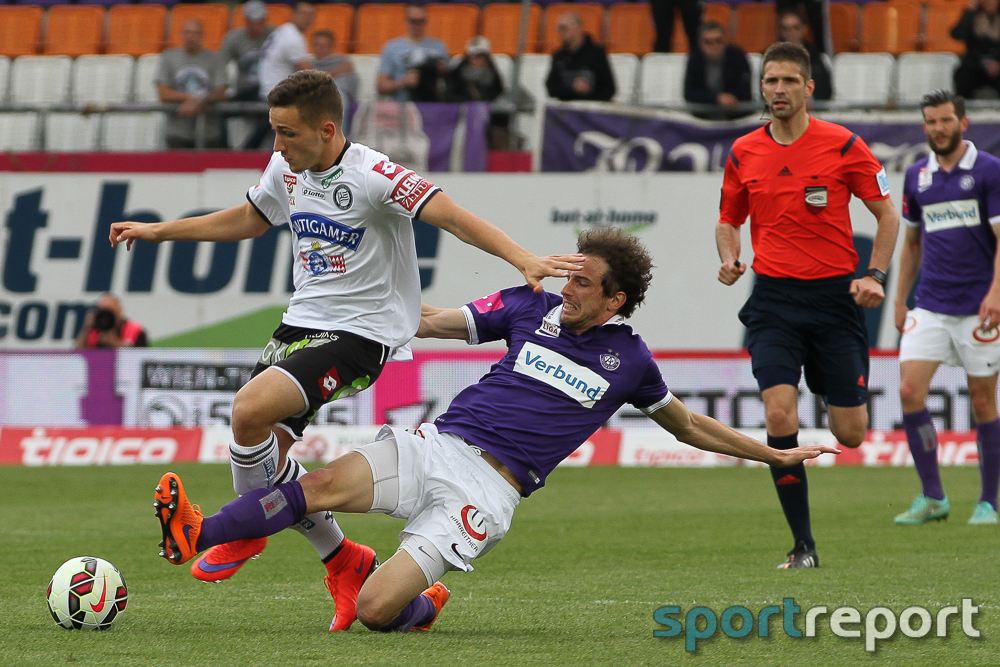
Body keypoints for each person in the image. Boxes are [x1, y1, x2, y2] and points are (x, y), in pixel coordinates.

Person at [152, 228, 839, 632]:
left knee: (374, 612)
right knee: (323, 485)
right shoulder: (526, 306)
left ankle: (422, 603)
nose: (566, 285)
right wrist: (348, 302)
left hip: (486, 494)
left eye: (582, 281)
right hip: (438, 444)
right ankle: (200, 529)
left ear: (616, 299)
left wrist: (772, 450)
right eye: (567, 273)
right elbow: (430, 319)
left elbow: (688, 426)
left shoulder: (629, 361)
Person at [110, 69, 579, 631]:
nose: (277, 146)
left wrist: (522, 259)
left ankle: (237, 529)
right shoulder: (286, 168)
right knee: (260, 448)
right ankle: (343, 560)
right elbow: (249, 219)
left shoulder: (376, 175)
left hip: (361, 335)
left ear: (326, 129)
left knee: (248, 409)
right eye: (274, 132)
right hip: (299, 325)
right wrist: (162, 232)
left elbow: (451, 216)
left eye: (287, 133)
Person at [716, 42, 900, 568]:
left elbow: (888, 216)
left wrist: (875, 275)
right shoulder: (743, 151)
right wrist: (730, 257)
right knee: (778, 411)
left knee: (851, 433)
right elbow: (728, 219)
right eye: (770, 81)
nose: (777, 90)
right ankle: (803, 546)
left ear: (809, 88)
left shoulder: (844, 145)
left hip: (834, 300)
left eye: (788, 81)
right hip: (773, 300)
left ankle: (827, 380)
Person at [893, 90, 1000, 526]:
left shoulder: (990, 171)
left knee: (983, 401)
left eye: (944, 120)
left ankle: (988, 501)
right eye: (930, 122)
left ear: (963, 122)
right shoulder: (917, 176)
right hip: (931, 304)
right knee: (908, 392)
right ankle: (933, 496)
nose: (937, 128)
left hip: (979, 306)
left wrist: (996, 292)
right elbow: (912, 242)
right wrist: (900, 298)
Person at [246, 2, 316, 150]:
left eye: (310, 15)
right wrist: (338, 71)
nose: (307, 19)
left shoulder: (284, 30)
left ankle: (250, 149)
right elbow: (310, 73)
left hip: (268, 85)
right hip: (275, 90)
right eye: (303, 14)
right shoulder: (293, 38)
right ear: (293, 15)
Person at [156, 18, 227, 149]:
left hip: (209, 133)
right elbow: (163, 93)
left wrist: (197, 102)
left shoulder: (215, 59)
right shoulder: (169, 57)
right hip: (177, 132)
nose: (191, 37)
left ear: (202, 35)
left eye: (195, 33)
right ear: (182, 34)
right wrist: (191, 98)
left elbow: (220, 92)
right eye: (188, 32)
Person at [444, 36, 509, 150]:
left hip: (488, 124)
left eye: (481, 56)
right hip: (461, 122)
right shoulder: (457, 75)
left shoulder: (494, 77)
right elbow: (449, 97)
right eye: (475, 56)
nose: (478, 60)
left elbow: (498, 95)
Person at [376, 4, 449, 102]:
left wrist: (443, 70)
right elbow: (381, 87)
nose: (418, 26)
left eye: (421, 21)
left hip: (431, 101)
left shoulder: (439, 46)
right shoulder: (392, 47)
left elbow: (450, 81)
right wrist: (402, 82)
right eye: (413, 21)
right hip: (403, 105)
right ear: (406, 21)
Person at [684, 22, 752, 120]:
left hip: (736, 117)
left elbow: (745, 89)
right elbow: (689, 92)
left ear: (725, 41)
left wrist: (729, 98)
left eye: (718, 40)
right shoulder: (695, 58)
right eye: (708, 42)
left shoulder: (737, 56)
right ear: (701, 44)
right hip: (702, 119)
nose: (714, 46)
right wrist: (716, 98)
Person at [545, 12, 616, 102]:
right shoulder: (559, 56)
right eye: (558, 29)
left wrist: (588, 93)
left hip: (591, 110)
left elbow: (609, 89)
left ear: (577, 28)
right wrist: (572, 88)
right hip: (567, 110)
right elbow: (551, 88)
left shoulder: (596, 53)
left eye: (563, 28)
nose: (559, 32)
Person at [221, 0, 275, 102]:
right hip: (245, 88)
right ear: (246, 20)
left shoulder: (276, 35)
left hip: (269, 88)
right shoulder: (233, 38)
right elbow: (222, 63)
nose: (259, 24)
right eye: (255, 21)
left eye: (261, 20)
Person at [777, 10, 832, 102]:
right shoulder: (772, 58)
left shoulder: (816, 57)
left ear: (804, 29)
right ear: (780, 31)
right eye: (785, 28)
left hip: (813, 108)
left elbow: (824, 90)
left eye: (796, 27)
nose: (790, 32)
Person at [951, 0, 1000, 99]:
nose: (989, 3)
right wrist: (969, 10)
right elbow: (957, 34)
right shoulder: (974, 17)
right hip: (975, 63)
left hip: (997, 62)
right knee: (964, 77)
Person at [74, 293, 148, 349]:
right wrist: (86, 327)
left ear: (119, 310)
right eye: (103, 311)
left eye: (110, 311)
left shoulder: (134, 330)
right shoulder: (93, 331)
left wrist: (114, 342)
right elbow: (77, 354)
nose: (106, 316)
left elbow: (140, 357)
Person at [311, 30, 359, 112]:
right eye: (317, 45)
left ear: (332, 47)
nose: (319, 49)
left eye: (324, 46)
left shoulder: (343, 62)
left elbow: (349, 84)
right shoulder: (307, 64)